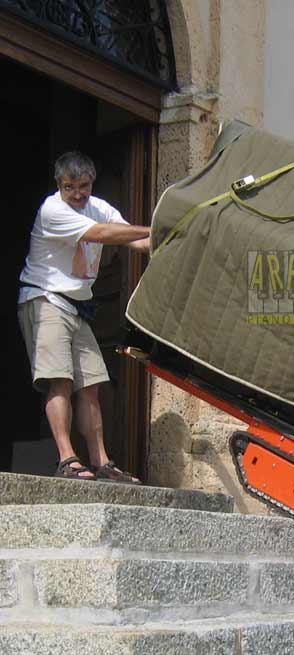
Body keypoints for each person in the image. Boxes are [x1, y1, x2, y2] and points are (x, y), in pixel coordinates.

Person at [17, 151, 151, 482]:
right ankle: (67, 459)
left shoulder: (99, 207)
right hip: (46, 299)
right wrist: (154, 227)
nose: (77, 194)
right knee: (59, 380)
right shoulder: (53, 210)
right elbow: (103, 235)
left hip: (78, 306)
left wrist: (170, 238)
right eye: (69, 187)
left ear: (92, 182)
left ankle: (102, 462)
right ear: (58, 185)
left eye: (83, 186)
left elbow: (134, 241)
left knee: (91, 385)